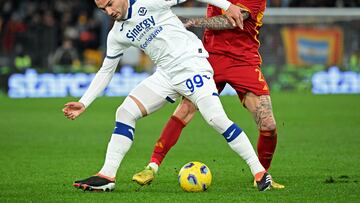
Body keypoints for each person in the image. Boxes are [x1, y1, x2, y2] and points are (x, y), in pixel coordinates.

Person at [63, 0, 272, 192]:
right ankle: (107, 175)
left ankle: (260, 173)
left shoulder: (151, 1)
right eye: (103, 9)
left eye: (110, 4)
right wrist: (84, 102)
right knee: (125, 112)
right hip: (166, 75)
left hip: (192, 66)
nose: (109, 12)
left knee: (216, 119)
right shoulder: (117, 34)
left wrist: (228, 6)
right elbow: (106, 70)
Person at [132, 0, 285, 189]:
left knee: (268, 124)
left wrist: (194, 22)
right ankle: (152, 166)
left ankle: (262, 174)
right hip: (209, 57)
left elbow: (233, 19)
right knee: (185, 109)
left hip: (243, 60)